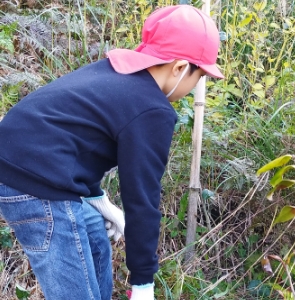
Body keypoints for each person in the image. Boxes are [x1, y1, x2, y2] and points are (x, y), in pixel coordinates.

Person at [0, 5, 222, 300]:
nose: (196, 86)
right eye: (200, 77)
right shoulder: (152, 109)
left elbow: (71, 140)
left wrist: (100, 201)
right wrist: (143, 284)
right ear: (180, 68)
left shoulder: (115, 73)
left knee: (94, 235)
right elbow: (142, 200)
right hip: (35, 187)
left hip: (20, 165)